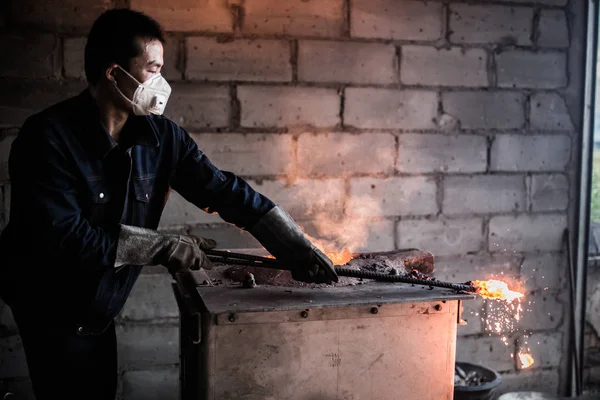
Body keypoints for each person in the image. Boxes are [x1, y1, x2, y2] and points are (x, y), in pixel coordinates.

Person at [0, 8, 338, 400]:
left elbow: (221, 189)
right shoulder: (47, 138)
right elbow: (65, 238)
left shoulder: (162, 137)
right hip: (49, 300)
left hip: (101, 301)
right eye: (152, 69)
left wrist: (291, 243)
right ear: (113, 73)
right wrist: (161, 246)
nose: (161, 82)